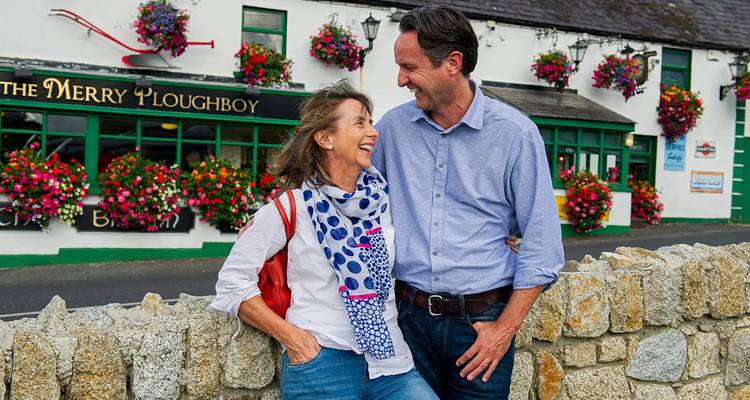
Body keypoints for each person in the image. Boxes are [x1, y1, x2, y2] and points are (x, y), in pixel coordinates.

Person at [371, 5, 564, 399]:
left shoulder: (515, 135)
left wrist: (503, 331)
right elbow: (350, 200)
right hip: (406, 320)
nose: (401, 79)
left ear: (452, 63)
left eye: (410, 67)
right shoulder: (391, 130)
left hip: (479, 328)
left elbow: (542, 247)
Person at [208, 81, 438, 400]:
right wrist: (293, 338)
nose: (373, 132)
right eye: (360, 122)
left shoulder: (384, 202)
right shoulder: (292, 207)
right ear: (326, 137)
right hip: (322, 366)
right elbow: (233, 282)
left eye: (370, 122)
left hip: (391, 364)